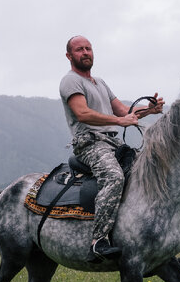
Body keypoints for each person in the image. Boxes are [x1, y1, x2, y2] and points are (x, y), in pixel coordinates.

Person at [59, 35, 164, 261]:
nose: (85, 52)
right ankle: (98, 241)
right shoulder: (70, 81)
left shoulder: (100, 82)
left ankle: (152, 236)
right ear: (69, 56)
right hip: (88, 143)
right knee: (114, 177)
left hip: (112, 142)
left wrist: (149, 110)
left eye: (88, 48)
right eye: (79, 49)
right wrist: (119, 122)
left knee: (147, 171)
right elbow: (82, 113)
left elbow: (124, 112)